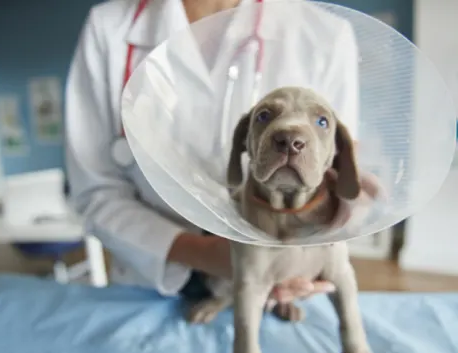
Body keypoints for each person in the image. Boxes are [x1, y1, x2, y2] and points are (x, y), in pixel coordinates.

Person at [65, 0, 378, 302]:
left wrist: (311, 256)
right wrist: (208, 256)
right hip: (150, 284)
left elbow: (337, 178)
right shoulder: (109, 28)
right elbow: (96, 193)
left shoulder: (326, 35)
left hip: (274, 283)